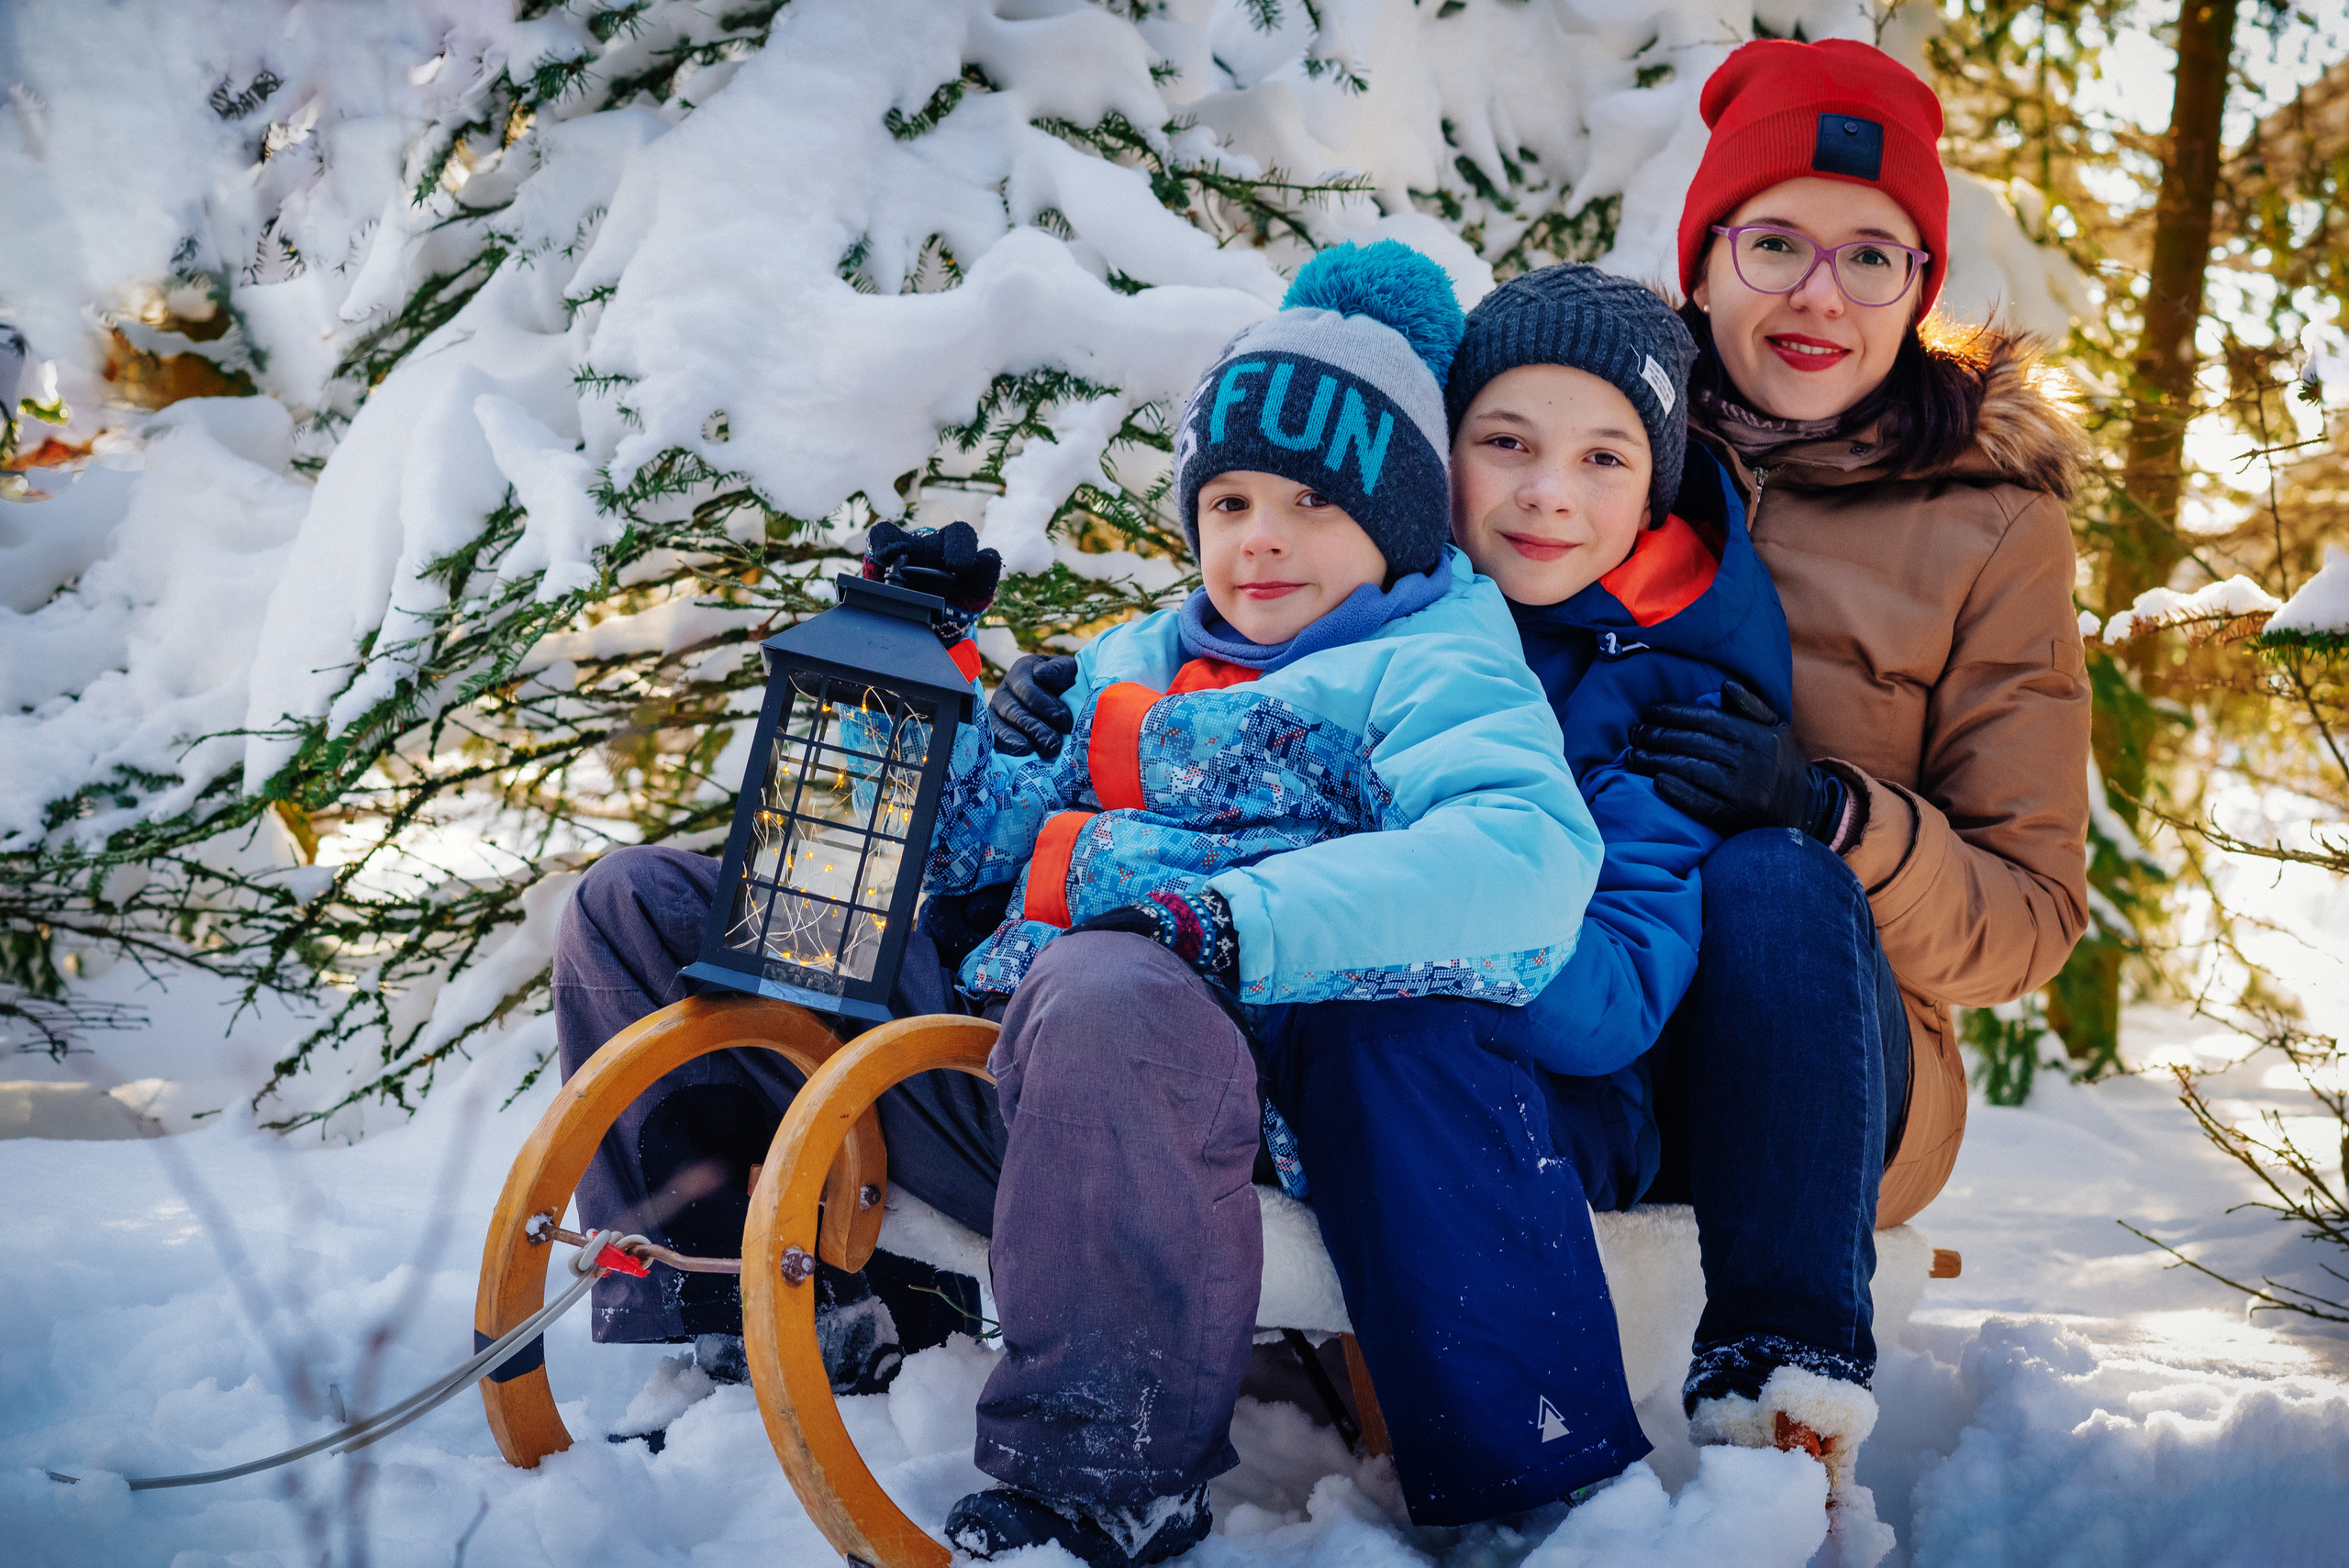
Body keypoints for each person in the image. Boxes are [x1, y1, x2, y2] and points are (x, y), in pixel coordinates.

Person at [554, 240, 1657, 1566]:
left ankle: (1104, 1472)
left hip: (1202, 1106)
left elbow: (1523, 861)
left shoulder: (1431, 665)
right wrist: (917, 677)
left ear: (1403, 521)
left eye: (1313, 502)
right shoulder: (1139, 655)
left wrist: (1233, 922)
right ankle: (724, 1304)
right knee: (641, 905)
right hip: (997, 1063)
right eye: (1230, 499)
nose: (1260, 536)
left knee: (1107, 988)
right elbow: (960, 848)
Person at [1615, 36, 2091, 1511]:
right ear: (1705, 260)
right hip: (1597, 983)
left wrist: (1836, 816)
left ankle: (1782, 1420)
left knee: (1773, 879)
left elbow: (2031, 917)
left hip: (1843, 1052)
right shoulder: (1588, 441)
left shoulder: (1991, 521)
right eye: (1776, 242)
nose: (1820, 294)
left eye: (1871, 256)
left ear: (1919, 285)